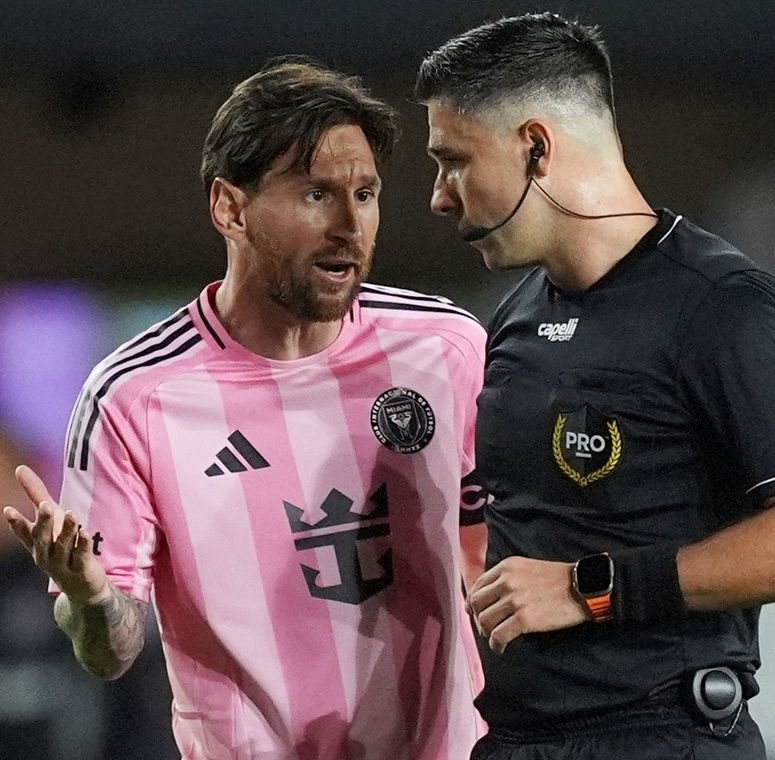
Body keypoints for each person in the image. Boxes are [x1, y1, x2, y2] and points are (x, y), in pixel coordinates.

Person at [3, 59, 489, 760]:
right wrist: (89, 599)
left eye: (365, 193)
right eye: (316, 194)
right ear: (230, 209)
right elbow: (109, 652)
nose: (350, 225)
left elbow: (500, 549)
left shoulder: (446, 348)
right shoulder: (134, 396)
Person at [415, 12, 775, 760]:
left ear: (536, 147)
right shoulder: (515, 317)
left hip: (664, 737)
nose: (440, 198)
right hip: (515, 740)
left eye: (454, 161)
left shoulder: (720, 307)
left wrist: (591, 588)